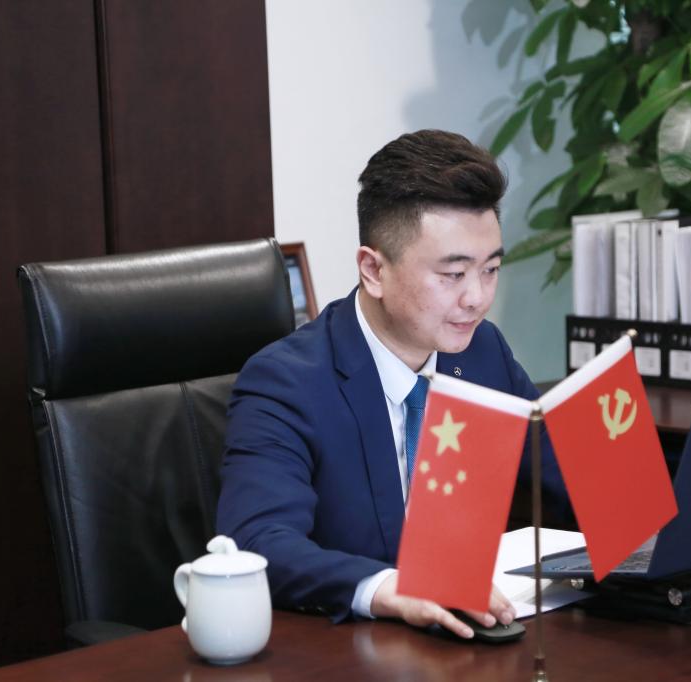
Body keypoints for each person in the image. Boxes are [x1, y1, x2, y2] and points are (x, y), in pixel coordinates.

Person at [216, 129, 570, 639]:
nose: (477, 298)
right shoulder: (287, 383)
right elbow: (258, 542)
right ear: (373, 270)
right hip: (347, 651)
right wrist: (389, 588)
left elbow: (563, 472)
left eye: (491, 269)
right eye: (453, 274)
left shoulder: (482, 351)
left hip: (470, 642)